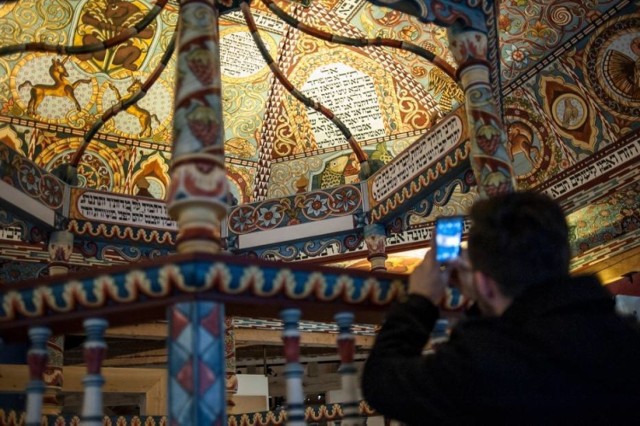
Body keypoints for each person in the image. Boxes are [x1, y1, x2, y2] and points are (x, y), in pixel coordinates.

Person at [362, 191, 640, 425]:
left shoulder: (485, 367)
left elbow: (382, 382)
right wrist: (483, 298)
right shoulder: (625, 337)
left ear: (484, 283)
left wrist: (421, 300)